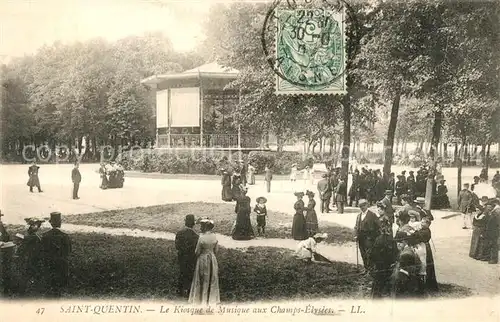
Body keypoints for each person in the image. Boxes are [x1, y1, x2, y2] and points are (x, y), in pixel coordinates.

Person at [188, 219, 220, 306]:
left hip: (203, 259)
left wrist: (202, 253)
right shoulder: (214, 237)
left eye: (202, 226)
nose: (201, 228)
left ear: (205, 227)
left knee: (202, 278)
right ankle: (211, 299)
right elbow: (216, 250)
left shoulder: (201, 237)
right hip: (212, 259)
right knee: (211, 278)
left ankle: (201, 300)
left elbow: (197, 251)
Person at [41, 212, 72, 298]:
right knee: (59, 288)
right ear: (60, 222)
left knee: (50, 287)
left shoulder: (45, 236)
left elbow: (42, 251)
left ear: (51, 223)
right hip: (61, 264)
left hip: (49, 264)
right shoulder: (65, 236)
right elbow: (68, 251)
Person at [16, 217, 44, 296]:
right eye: (33, 225)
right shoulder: (34, 237)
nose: (36, 227)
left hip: (30, 257)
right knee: (33, 273)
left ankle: (24, 290)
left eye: (36, 225)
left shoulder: (32, 236)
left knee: (29, 274)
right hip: (32, 258)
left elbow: (24, 240)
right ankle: (31, 290)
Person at [175, 214, 199, 298]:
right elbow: (196, 249)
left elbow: (177, 246)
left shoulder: (179, 233)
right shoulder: (195, 236)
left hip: (181, 256)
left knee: (182, 272)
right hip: (191, 257)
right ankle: (188, 291)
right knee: (190, 273)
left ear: (185, 222)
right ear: (193, 224)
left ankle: (179, 290)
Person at [354, 199, 381, 271]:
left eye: (363, 205)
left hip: (369, 238)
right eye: (360, 206)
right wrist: (356, 235)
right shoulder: (359, 216)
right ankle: (366, 268)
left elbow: (378, 226)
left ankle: (370, 269)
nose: (362, 207)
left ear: (367, 205)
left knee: (369, 254)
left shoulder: (372, 215)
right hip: (361, 238)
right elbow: (356, 226)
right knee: (363, 253)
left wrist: (374, 236)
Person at [483, 198, 499, 264]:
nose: (488, 208)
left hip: (495, 231)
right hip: (491, 231)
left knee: (494, 245)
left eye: (489, 206)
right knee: (491, 244)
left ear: (493, 205)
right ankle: (490, 257)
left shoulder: (497, 212)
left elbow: (498, 223)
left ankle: (494, 259)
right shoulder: (493, 211)